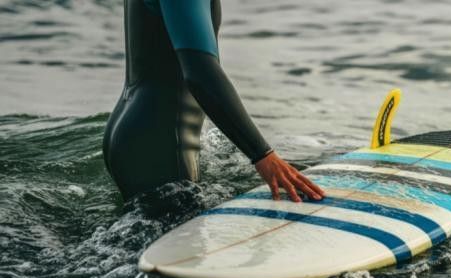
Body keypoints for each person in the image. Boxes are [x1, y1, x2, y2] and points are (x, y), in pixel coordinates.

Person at [103, 0, 325, 203]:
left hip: (134, 131)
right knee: (183, 245)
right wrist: (263, 155)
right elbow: (200, 72)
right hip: (160, 144)